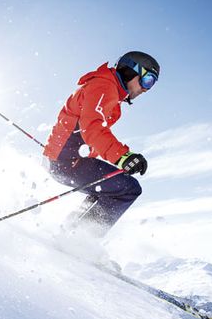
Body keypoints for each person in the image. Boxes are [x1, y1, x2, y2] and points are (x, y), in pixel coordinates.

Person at [43, 51, 160, 237]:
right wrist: (123, 157)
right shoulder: (104, 86)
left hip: (67, 158)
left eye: (152, 85)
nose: (146, 89)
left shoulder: (109, 92)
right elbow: (92, 128)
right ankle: (81, 240)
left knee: (109, 186)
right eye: (147, 81)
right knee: (129, 189)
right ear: (131, 71)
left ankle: (69, 232)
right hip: (66, 161)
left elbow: (84, 126)